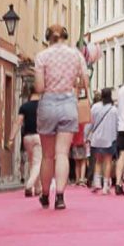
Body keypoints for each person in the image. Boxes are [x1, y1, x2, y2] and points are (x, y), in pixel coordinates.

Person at [32, 25, 87, 209]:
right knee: (62, 153)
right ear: (65, 36)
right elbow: (84, 81)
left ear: (48, 38)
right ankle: (61, 196)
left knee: (48, 156)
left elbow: (39, 88)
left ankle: (46, 195)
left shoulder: (42, 56)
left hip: (48, 103)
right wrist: (73, 83)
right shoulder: (76, 55)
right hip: (68, 104)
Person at [88, 88, 120, 192]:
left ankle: (97, 182)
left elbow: (90, 122)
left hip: (96, 138)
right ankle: (106, 185)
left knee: (98, 160)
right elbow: (117, 125)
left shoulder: (95, 107)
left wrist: (86, 135)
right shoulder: (113, 109)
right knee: (108, 161)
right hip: (109, 138)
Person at [19, 86, 42, 197]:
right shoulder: (43, 106)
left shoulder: (24, 106)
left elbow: (17, 122)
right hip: (39, 136)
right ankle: (29, 185)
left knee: (32, 162)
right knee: (38, 163)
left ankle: (38, 189)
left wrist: (11, 137)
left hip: (27, 137)